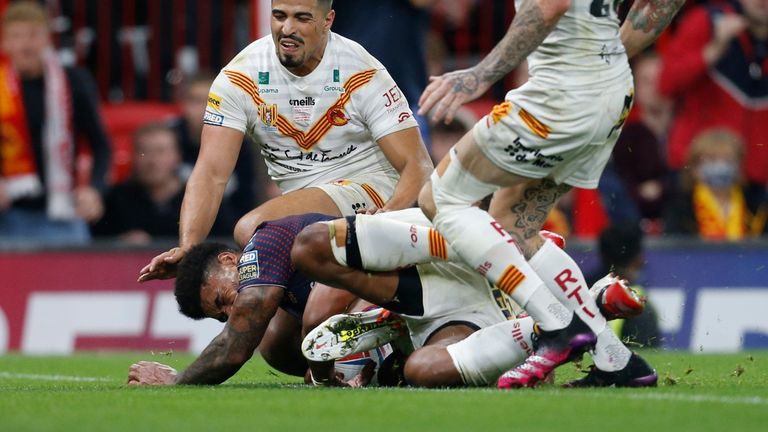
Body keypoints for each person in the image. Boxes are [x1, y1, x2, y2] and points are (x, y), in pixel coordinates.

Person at [414, 0, 684, 388]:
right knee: (513, 224)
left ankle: (558, 327)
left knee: (440, 199)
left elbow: (551, 4)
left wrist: (479, 74)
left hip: (560, 97)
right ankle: (615, 358)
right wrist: (608, 59)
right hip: (608, 91)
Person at [138, 0, 432, 283]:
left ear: (328, 21)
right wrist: (189, 248)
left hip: (374, 194)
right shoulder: (240, 77)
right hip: (304, 211)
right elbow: (211, 173)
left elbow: (418, 165)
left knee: (252, 229)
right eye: (279, 16)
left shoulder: (362, 71)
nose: (287, 28)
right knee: (270, 326)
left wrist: (385, 217)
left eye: (302, 18)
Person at [293, 209, 655, 388]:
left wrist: (324, 378)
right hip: (467, 318)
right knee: (420, 368)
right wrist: (323, 375)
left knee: (309, 248)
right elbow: (316, 340)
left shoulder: (345, 309)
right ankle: (562, 322)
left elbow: (315, 327)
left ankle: (480, 246)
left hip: (436, 263)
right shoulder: (390, 353)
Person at [128, 212, 382, 385]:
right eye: (222, 316)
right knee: (281, 347)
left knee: (313, 331)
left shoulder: (263, 245)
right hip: (380, 299)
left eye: (221, 299)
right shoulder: (281, 281)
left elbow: (234, 349)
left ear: (228, 259)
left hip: (390, 278)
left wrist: (176, 380)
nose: (231, 311)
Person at [0, 0, 111, 245]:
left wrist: (94, 189)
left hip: (62, 214)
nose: (25, 45)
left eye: (33, 35)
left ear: (47, 39)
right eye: (16, 36)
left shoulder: (73, 82)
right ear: (5, 43)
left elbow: (101, 146)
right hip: (6, 216)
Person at [658, 0, 768, 213]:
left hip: (753, 180)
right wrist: (714, 50)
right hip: (695, 174)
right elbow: (666, 83)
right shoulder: (706, 20)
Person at [91, 123, 234, 244]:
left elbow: (225, 245)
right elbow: (89, 246)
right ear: (133, 156)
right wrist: (120, 243)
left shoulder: (203, 199)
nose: (152, 161)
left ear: (177, 156)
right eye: (144, 152)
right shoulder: (115, 200)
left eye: (161, 151)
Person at [169, 72, 259, 219]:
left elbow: (250, 200)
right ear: (183, 104)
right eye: (197, 101)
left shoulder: (243, 144)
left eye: (213, 101)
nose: (206, 108)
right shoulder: (167, 138)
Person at [600, 51, 672, 227]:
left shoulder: (687, 129)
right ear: (634, 87)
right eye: (646, 81)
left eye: (661, 78)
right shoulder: (620, 135)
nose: (655, 86)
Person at [664, 128, 767, 238]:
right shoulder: (679, 207)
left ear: (739, 165)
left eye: (728, 159)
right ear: (695, 168)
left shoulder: (758, 202)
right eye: (712, 159)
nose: (720, 166)